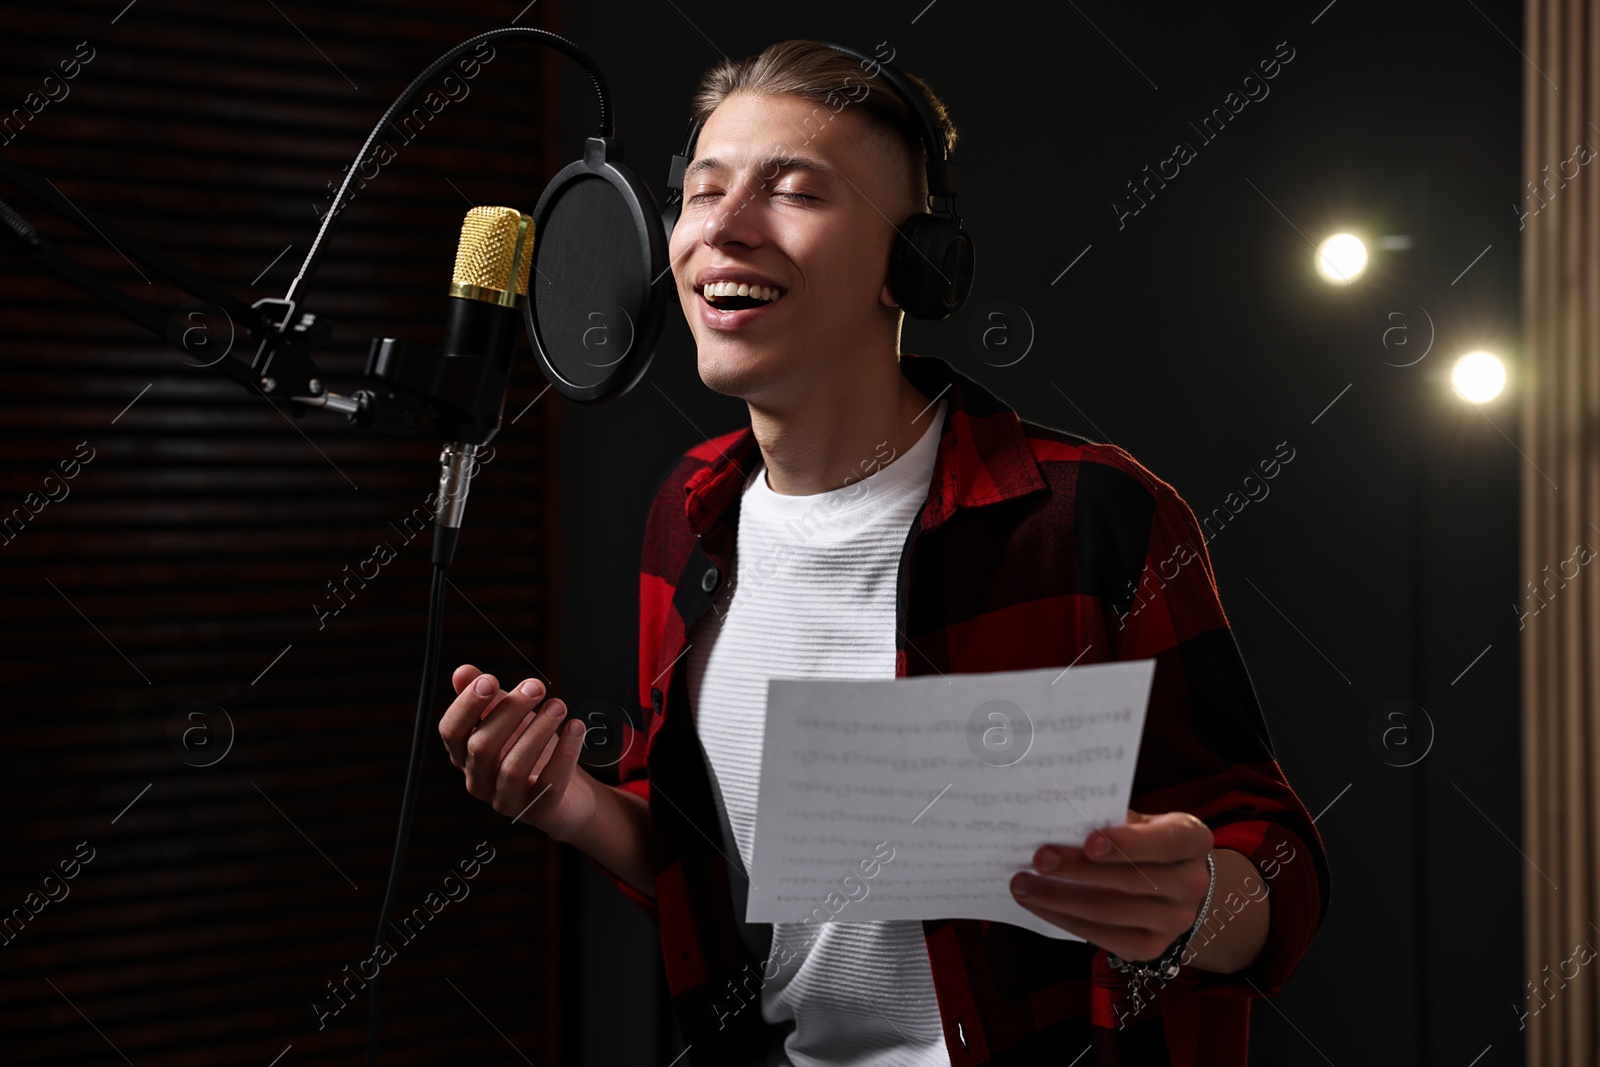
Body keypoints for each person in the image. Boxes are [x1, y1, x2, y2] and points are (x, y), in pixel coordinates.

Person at [438, 38, 1330, 1067]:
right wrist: (574, 802)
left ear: (912, 264)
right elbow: (706, 858)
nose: (722, 228)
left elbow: (1280, 863)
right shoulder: (687, 513)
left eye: (795, 192)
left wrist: (1197, 900)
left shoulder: (1093, 515)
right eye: (702, 192)